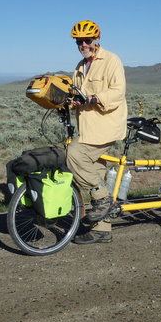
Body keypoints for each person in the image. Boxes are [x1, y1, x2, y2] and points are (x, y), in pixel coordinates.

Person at [66, 20, 128, 244]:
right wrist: (71, 102)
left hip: (105, 125)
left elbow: (118, 92)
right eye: (79, 41)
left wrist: (93, 98)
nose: (83, 44)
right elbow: (77, 93)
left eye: (87, 40)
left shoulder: (111, 60)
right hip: (88, 126)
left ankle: (104, 200)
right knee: (96, 172)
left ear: (97, 39)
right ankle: (102, 230)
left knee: (74, 155)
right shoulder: (80, 66)